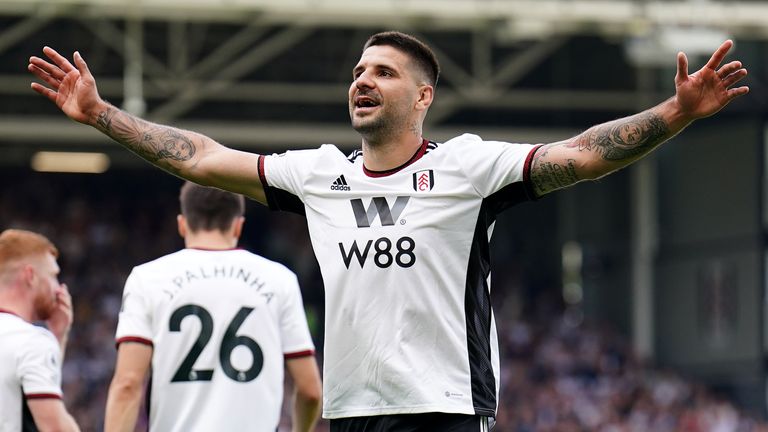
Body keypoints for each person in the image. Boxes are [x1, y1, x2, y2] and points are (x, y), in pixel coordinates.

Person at [29, 31, 748, 431]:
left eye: (382, 72)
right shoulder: (318, 175)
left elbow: (585, 156)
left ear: (422, 96)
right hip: (350, 414)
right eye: (357, 71)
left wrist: (675, 114)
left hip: (443, 411)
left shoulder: (469, 168)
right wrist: (103, 117)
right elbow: (207, 158)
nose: (361, 80)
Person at [103, 181, 321, 432]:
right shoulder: (279, 280)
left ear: (182, 225)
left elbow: (128, 384)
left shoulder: (147, 279)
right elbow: (310, 391)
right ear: (238, 226)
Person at [0, 229, 80, 432]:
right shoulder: (31, 341)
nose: (59, 288)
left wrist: (57, 337)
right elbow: (54, 428)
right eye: (53, 276)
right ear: (30, 276)